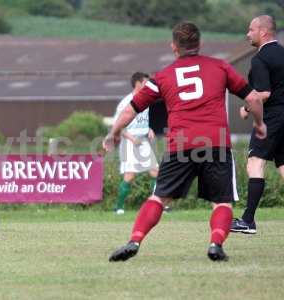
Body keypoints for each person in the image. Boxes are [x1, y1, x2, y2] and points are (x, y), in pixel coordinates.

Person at [103, 21, 267, 262]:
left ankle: (135, 240)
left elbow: (130, 109)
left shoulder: (162, 77)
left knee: (158, 197)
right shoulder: (220, 67)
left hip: (180, 144)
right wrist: (259, 124)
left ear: (173, 47)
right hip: (215, 143)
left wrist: (114, 133)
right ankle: (215, 244)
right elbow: (253, 98)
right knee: (221, 201)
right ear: (199, 44)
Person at [231, 15, 284, 234]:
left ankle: (248, 220)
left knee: (255, 163)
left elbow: (263, 93)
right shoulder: (282, 53)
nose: (248, 34)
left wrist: (245, 108)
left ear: (263, 32)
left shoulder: (260, 58)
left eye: (251, 30)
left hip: (272, 118)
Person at [113, 72, 159, 215]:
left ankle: (157, 206)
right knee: (130, 176)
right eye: (145, 82)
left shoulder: (145, 100)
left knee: (155, 172)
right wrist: (132, 138)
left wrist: (149, 129)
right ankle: (118, 207)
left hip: (143, 141)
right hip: (130, 143)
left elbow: (142, 121)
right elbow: (117, 126)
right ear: (138, 83)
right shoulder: (126, 102)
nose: (147, 85)